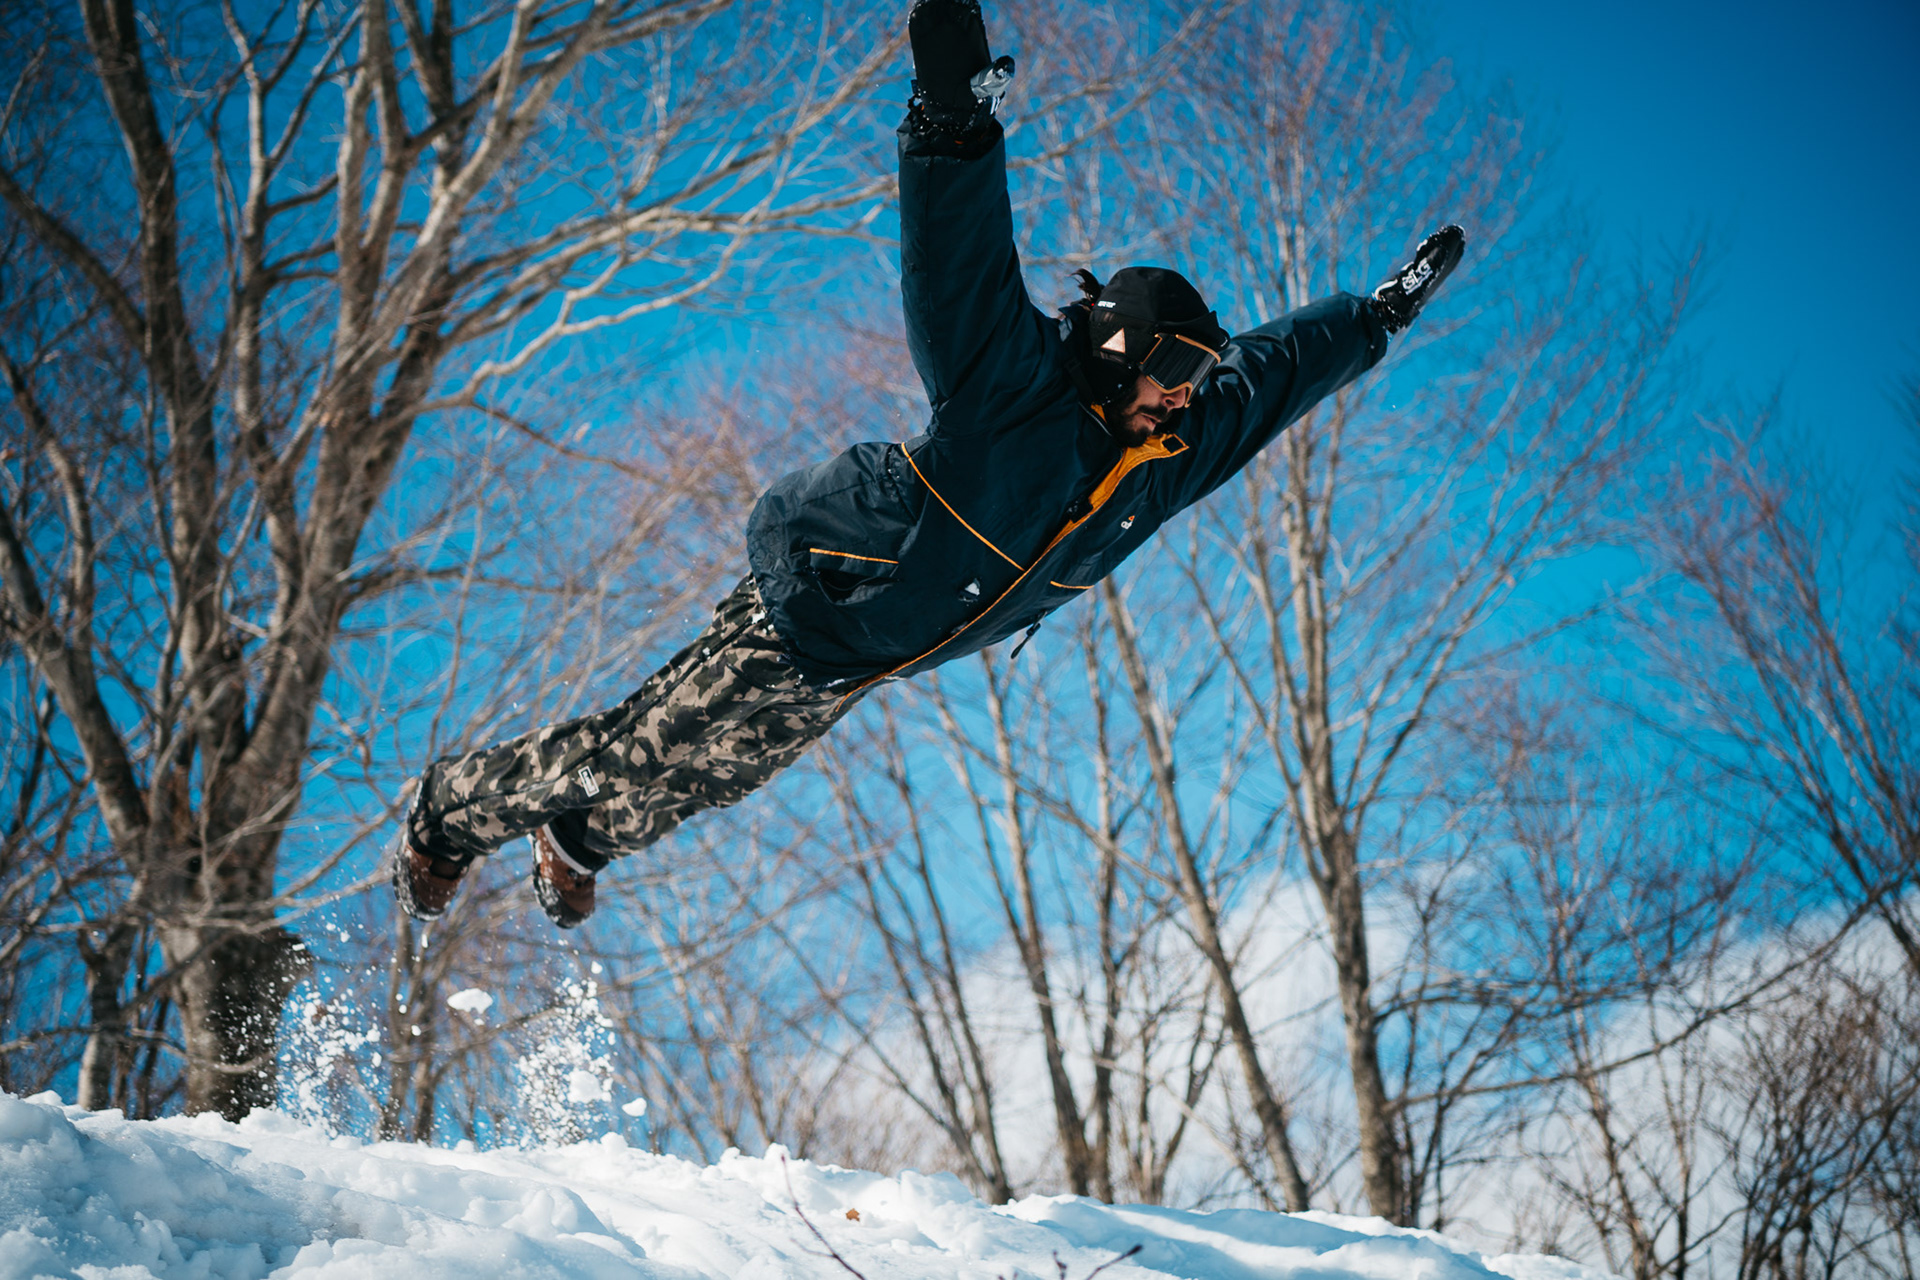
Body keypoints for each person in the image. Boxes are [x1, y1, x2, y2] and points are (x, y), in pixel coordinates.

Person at [389, 0, 1465, 929]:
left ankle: (576, 843)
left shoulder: (1158, 465)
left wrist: (1376, 320)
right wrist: (952, 107)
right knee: (634, 750)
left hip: (864, 656)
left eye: (1198, 371)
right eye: (1176, 363)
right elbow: (959, 252)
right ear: (1124, 344)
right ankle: (448, 810)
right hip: (818, 586)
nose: (1188, 390)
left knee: (714, 777)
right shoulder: (1015, 380)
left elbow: (1272, 378)